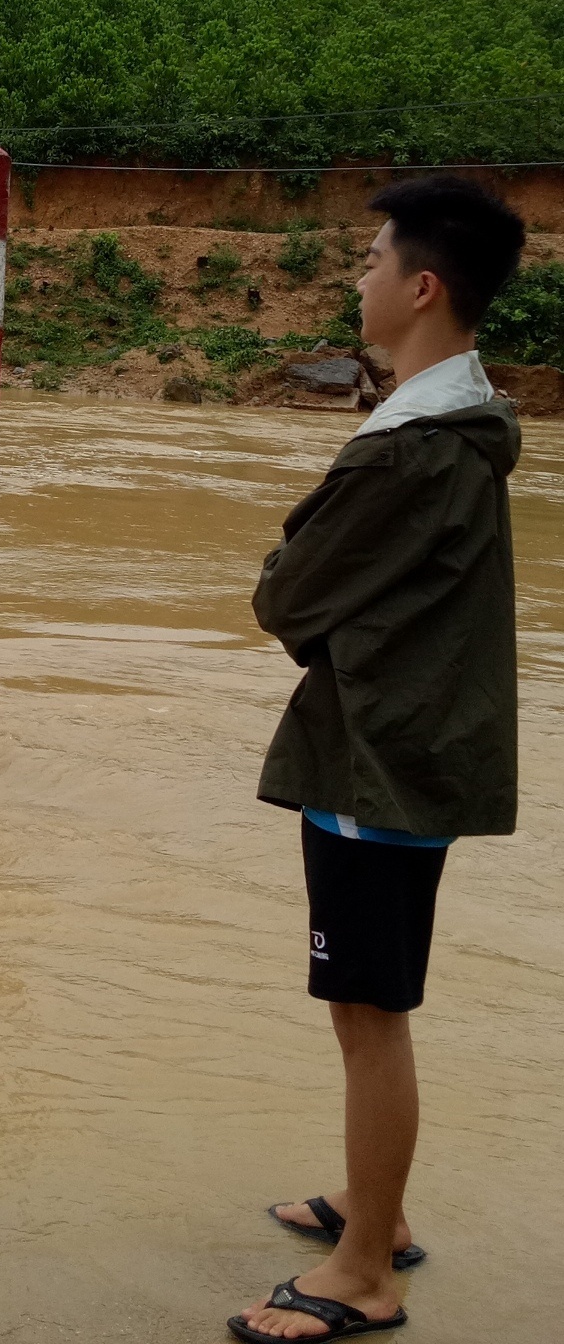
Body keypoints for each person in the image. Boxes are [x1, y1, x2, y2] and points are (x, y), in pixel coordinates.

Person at [232, 175, 525, 1342]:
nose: (356, 276)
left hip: (380, 761)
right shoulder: (449, 422)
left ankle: (364, 1272)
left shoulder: (412, 449)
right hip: (411, 745)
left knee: (367, 1010)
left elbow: (286, 596)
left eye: (369, 259)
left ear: (421, 286)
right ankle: (374, 1206)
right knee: (373, 1002)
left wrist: (299, 591)